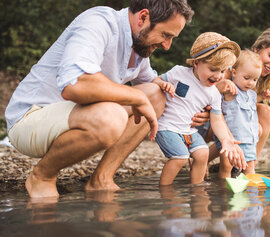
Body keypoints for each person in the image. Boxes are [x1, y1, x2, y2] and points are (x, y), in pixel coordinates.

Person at [5, 0, 195, 198]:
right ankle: (43, 176)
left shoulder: (138, 47)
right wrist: (136, 96)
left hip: (73, 116)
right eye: (166, 35)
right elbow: (75, 84)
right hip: (30, 120)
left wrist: (196, 112)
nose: (167, 46)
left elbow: (153, 86)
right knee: (111, 117)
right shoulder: (99, 22)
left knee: (156, 95)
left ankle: (101, 179)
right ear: (143, 18)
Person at [152, 32, 246, 185]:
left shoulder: (214, 94)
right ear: (196, 63)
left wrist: (226, 140)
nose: (218, 76)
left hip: (188, 130)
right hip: (167, 126)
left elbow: (217, 121)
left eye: (222, 71)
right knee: (180, 158)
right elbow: (155, 80)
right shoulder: (179, 73)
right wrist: (162, 84)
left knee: (203, 154)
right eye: (213, 69)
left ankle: (197, 187)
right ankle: (165, 190)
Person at [203, 27, 270, 172]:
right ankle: (216, 161)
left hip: (231, 127)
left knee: (265, 111)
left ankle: (249, 165)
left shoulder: (256, 80)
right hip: (209, 120)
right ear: (257, 49)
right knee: (247, 127)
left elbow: (244, 107)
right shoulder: (232, 71)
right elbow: (208, 96)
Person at [213, 49, 263, 177]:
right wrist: (224, 83)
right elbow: (214, 92)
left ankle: (251, 193)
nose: (251, 83)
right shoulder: (231, 91)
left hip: (250, 140)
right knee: (226, 167)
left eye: (255, 79)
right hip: (232, 140)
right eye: (247, 78)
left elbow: (250, 103)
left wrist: (262, 96)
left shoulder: (251, 94)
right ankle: (223, 189)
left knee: (250, 168)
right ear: (234, 73)